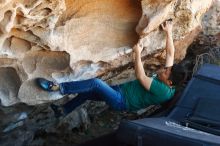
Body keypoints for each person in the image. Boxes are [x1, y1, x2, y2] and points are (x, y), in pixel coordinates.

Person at [36, 20, 181, 118]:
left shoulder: (163, 91)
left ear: (169, 83)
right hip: (121, 90)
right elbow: (170, 53)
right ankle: (63, 110)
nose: (164, 70)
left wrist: (137, 53)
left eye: (166, 72)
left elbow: (141, 76)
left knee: (94, 83)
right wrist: (169, 32)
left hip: (121, 101)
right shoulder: (169, 78)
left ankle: (57, 87)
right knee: (86, 93)